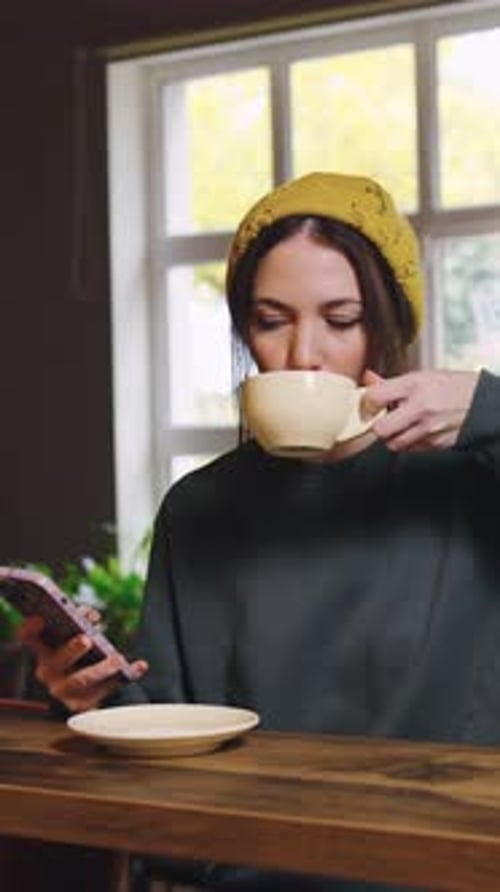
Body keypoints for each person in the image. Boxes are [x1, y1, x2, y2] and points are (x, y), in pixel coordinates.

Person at [22, 172, 500, 890]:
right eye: (272, 320)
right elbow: (175, 738)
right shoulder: (200, 507)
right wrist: (95, 696)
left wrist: (491, 405)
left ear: (391, 324)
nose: (305, 354)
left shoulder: (473, 482)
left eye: (341, 319)